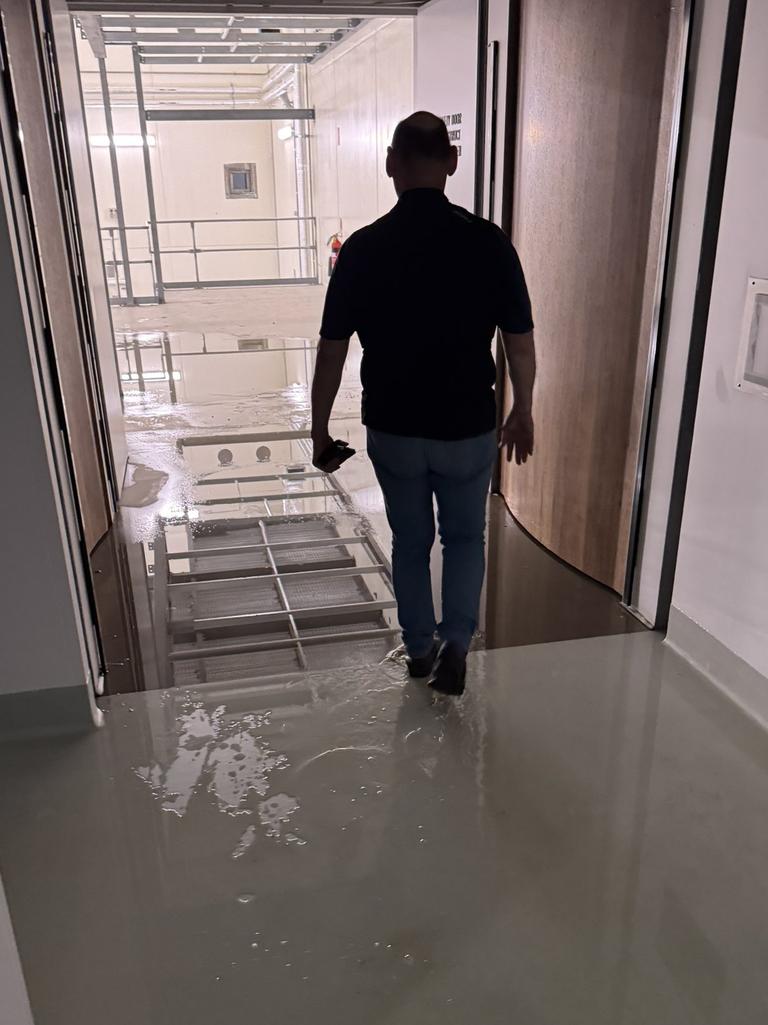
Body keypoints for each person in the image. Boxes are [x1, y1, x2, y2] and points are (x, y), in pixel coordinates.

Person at [310, 111, 535, 696]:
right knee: (465, 538)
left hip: (396, 426)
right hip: (467, 426)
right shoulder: (489, 243)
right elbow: (519, 340)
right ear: (451, 162)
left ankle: (418, 649)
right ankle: (457, 642)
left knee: (411, 541)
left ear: (391, 163)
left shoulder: (361, 249)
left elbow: (331, 351)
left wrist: (319, 431)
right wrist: (523, 409)